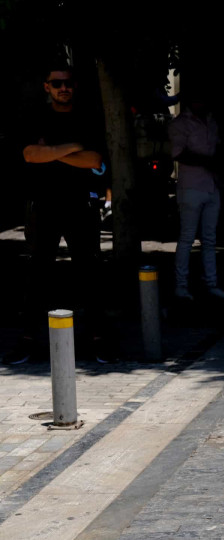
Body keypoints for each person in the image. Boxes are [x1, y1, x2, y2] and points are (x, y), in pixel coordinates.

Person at [4, 62, 109, 365]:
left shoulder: (87, 117)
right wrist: (72, 149)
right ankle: (27, 341)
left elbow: (93, 159)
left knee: (89, 273)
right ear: (46, 86)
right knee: (37, 275)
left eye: (68, 83)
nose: (64, 88)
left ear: (74, 87)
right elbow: (29, 155)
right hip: (44, 205)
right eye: (57, 83)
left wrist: (51, 152)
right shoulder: (34, 116)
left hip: (82, 206)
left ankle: (98, 340)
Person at [168, 87, 224, 301]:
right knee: (187, 238)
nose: (200, 104)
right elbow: (179, 153)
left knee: (209, 239)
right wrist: (209, 162)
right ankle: (181, 286)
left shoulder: (211, 121)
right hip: (191, 187)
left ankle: (211, 284)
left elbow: (216, 149)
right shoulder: (180, 123)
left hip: (212, 186)